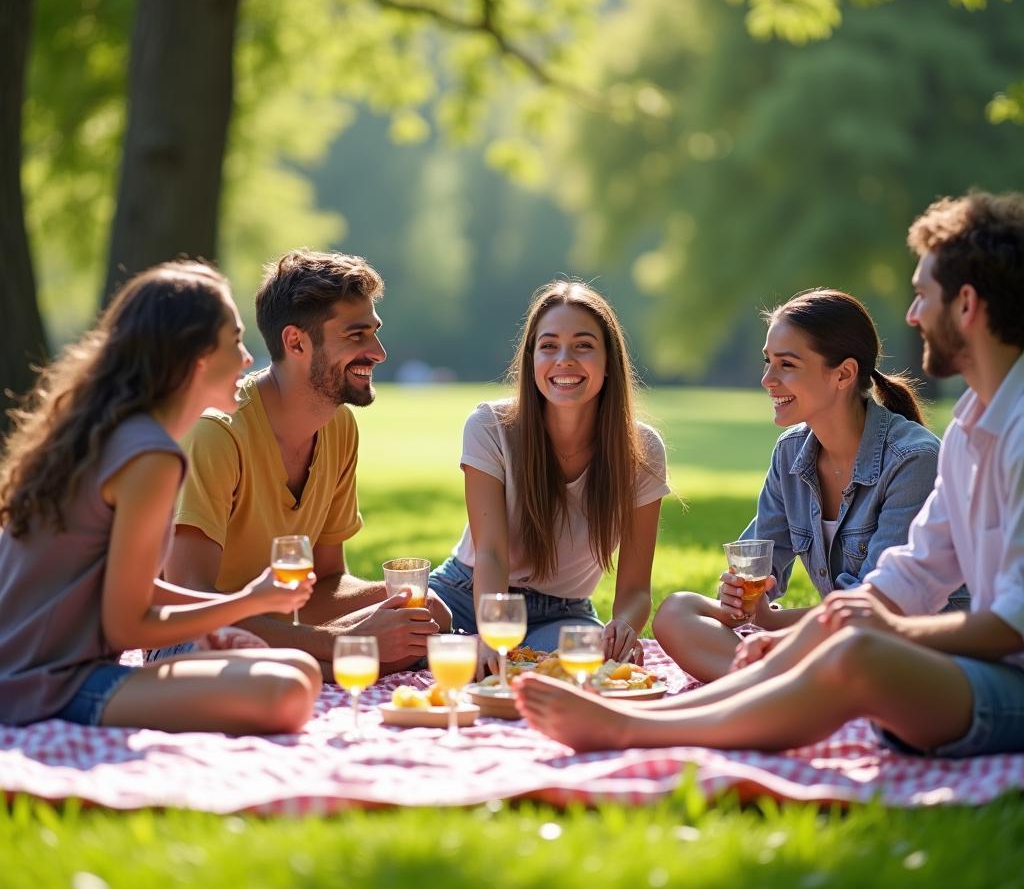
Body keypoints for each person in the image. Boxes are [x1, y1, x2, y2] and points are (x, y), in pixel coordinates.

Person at [516, 190, 1024, 759]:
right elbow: (910, 577)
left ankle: (639, 732)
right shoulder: (971, 431)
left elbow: (1011, 624)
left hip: (999, 680)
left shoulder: (980, 442)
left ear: (968, 306)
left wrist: (851, 630)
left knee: (853, 650)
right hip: (946, 666)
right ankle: (640, 716)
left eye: (922, 295)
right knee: (797, 632)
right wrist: (809, 630)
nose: (911, 315)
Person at [0, 262, 322, 732]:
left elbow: (131, 585)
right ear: (197, 356)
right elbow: (127, 626)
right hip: (43, 683)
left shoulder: (110, 432)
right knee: (287, 692)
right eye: (234, 340)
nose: (248, 358)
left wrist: (213, 622)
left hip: (38, 666)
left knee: (300, 669)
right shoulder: (151, 458)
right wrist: (250, 601)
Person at [654, 289, 966, 683]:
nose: (767, 380)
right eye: (768, 362)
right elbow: (758, 566)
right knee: (676, 611)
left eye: (787, 364)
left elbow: (876, 611)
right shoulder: (791, 453)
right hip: (836, 641)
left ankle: (764, 689)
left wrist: (776, 627)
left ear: (843, 374)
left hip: (906, 649)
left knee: (850, 652)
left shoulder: (913, 460)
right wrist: (740, 596)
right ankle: (774, 689)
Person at [163, 250, 450, 676]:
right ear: (296, 342)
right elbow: (188, 602)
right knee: (298, 671)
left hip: (281, 639)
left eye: (374, 332)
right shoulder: (218, 433)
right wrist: (337, 642)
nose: (378, 352)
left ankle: (325, 665)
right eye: (356, 336)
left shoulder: (339, 427)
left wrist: (393, 601)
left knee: (426, 612)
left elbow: (326, 584)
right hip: (193, 642)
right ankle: (327, 665)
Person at [427, 279, 672, 668]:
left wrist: (623, 625)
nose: (564, 359)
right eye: (549, 346)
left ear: (609, 362)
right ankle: (460, 645)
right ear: (532, 360)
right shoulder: (490, 425)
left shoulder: (642, 450)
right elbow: (491, 552)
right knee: (398, 641)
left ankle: (468, 652)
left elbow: (635, 587)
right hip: (470, 594)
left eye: (583, 345)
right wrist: (492, 634)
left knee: (570, 667)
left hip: (562, 613)